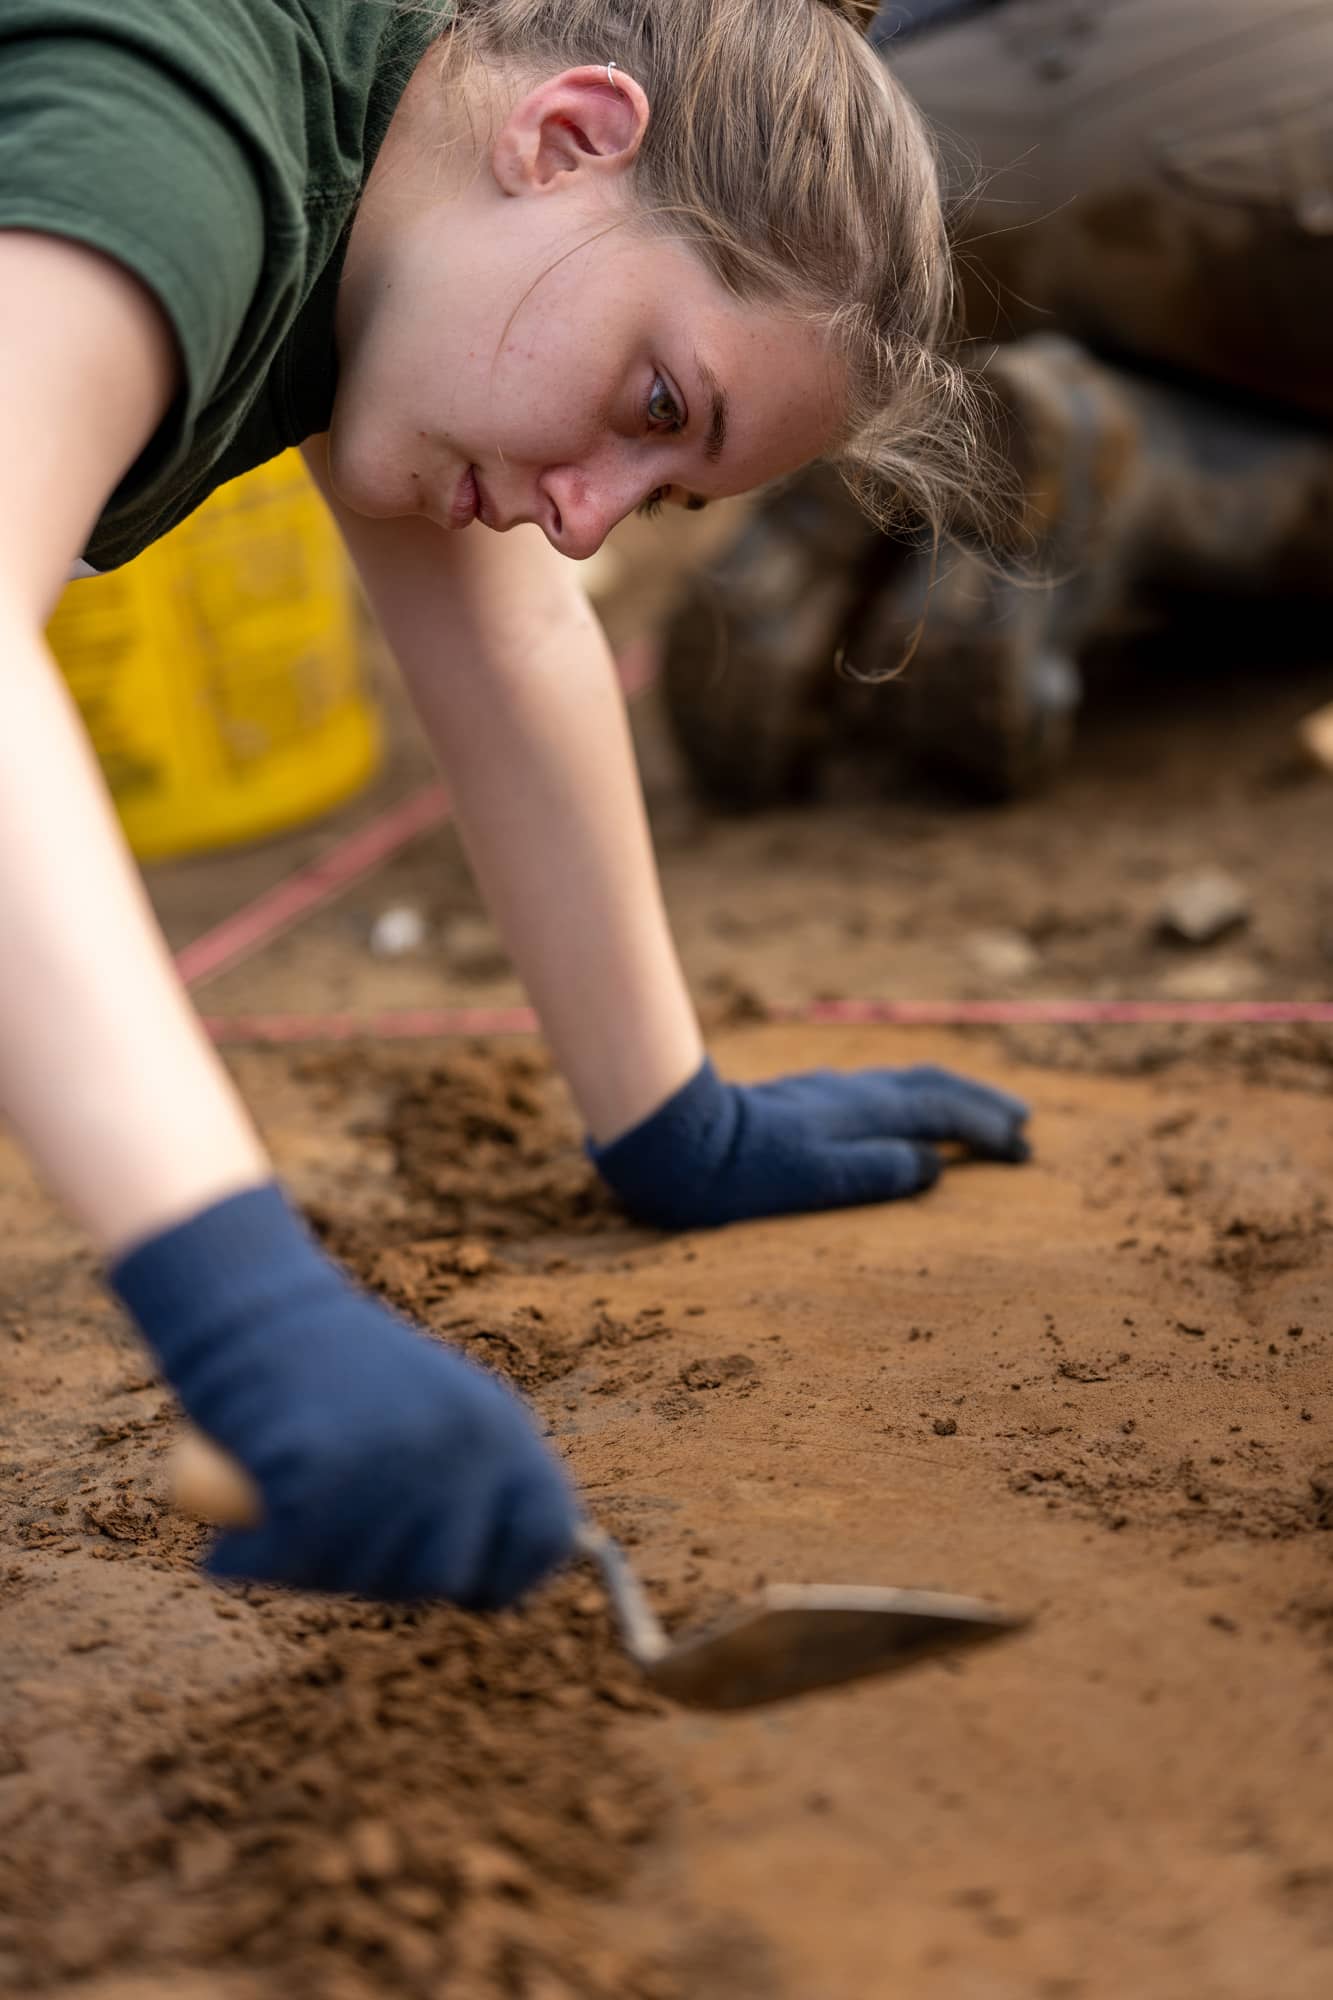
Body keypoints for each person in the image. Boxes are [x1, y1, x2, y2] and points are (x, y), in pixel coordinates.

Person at [0, 0, 1030, 1612]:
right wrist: (244, 1306)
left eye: (665, 493)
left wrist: (666, 1114)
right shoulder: (181, 140)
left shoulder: (396, 228)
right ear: (564, 140)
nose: (583, 521)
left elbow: (510, 626)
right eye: (655, 407)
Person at [662, 0, 1333, 801]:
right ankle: (1143, 468)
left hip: (907, 129)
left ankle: (906, 429)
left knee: (864, 318)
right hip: (1266, 91)